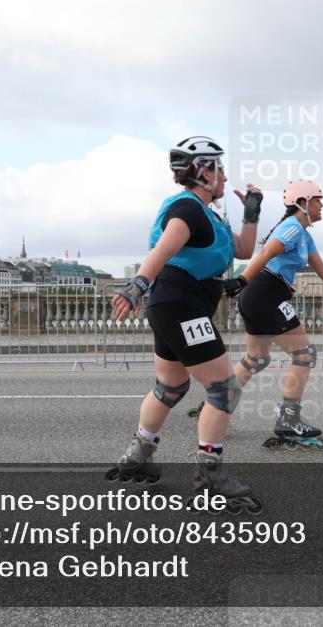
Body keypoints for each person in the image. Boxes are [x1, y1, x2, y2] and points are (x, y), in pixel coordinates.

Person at [107, 135, 264, 513]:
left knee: (171, 385)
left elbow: (242, 251)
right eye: (220, 168)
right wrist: (135, 286)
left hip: (174, 305)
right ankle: (209, 478)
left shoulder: (209, 214)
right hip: (181, 305)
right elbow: (163, 248)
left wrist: (253, 213)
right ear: (204, 171)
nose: (225, 176)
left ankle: (139, 454)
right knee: (224, 390)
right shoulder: (188, 209)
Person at [220, 178, 323, 451]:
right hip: (266, 292)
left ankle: (219, 404)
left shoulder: (304, 233)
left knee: (255, 359)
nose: (322, 205)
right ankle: (289, 419)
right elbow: (266, 252)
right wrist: (241, 281)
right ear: (303, 203)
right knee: (305, 355)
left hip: (261, 294)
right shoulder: (291, 227)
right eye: (318, 200)